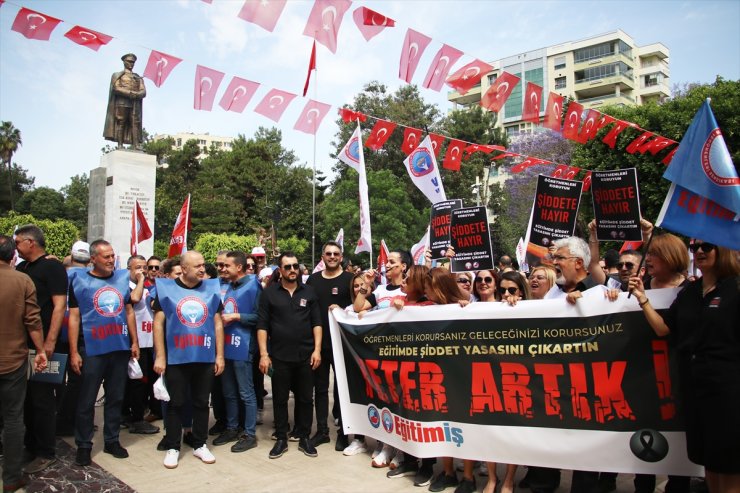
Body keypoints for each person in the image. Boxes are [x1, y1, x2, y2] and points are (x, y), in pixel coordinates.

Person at [630, 240, 740, 492]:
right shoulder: (690, 292)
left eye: (707, 246)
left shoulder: (735, 287)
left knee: (729, 463)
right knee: (708, 460)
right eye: (695, 248)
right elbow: (663, 329)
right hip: (694, 387)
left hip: (728, 389)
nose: (699, 252)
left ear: (723, 249)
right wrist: (642, 299)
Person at [67, 240, 140, 467]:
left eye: (112, 256)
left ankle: (111, 440)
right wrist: (73, 352)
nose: (110, 260)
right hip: (91, 348)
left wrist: (134, 341)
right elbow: (75, 318)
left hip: (118, 348)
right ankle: (84, 445)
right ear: (93, 259)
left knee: (116, 396)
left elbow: (129, 311)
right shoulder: (78, 280)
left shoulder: (120, 279)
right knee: (87, 399)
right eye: (106, 257)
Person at [153, 250, 224, 469]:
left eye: (204, 264)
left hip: (204, 356)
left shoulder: (211, 289)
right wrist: (161, 356)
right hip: (176, 357)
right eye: (198, 266)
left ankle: (200, 444)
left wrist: (219, 355)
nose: (203, 269)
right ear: (184, 269)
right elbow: (158, 323)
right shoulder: (166, 290)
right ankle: (173, 446)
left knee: (202, 403)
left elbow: (218, 322)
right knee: (175, 403)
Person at [257, 252, 322, 460]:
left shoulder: (309, 292)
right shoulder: (269, 294)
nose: (292, 270)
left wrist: (317, 350)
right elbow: (262, 326)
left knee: (305, 398)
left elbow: (317, 324)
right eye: (288, 267)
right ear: (280, 270)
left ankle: (304, 437)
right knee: (280, 399)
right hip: (279, 356)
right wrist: (264, 354)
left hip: (306, 355)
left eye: (295, 266)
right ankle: (282, 438)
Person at [14, 224, 68, 474]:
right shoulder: (21, 268)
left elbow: (59, 306)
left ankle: (46, 451)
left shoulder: (53, 267)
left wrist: (49, 342)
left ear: (30, 242)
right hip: (22, 345)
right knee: (26, 400)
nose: (16, 247)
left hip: (45, 345)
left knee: (43, 399)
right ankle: (30, 444)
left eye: (18, 243)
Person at [0, 234, 48, 493]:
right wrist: (41, 350)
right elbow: (33, 321)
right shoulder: (21, 280)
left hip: (12, 359)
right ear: (12, 256)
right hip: (12, 360)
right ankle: (11, 477)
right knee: (13, 419)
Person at [305, 241, 354, 451]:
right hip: (318, 344)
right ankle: (322, 431)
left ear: (341, 257)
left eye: (336, 253)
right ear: (322, 257)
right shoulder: (313, 280)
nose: (332, 256)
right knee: (321, 389)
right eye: (328, 253)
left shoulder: (350, 279)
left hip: (342, 343)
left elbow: (362, 304)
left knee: (342, 389)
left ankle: (344, 432)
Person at [213, 250, 261, 453]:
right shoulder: (227, 286)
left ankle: (249, 434)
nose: (223, 269)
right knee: (229, 392)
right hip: (226, 346)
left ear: (239, 267)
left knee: (245, 392)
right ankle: (232, 427)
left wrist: (236, 317)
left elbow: (260, 317)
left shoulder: (254, 285)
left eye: (227, 266)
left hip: (244, 345)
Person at [122, 255, 159, 435]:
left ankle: (136, 413)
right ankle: (135, 419)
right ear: (129, 269)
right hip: (135, 342)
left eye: (144, 267)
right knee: (137, 382)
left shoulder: (149, 288)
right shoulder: (128, 286)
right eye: (138, 267)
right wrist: (141, 280)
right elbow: (134, 299)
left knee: (144, 382)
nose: (143, 271)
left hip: (149, 340)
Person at [103, 53, 146, 149]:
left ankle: (136, 145)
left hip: (135, 104)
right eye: (129, 61)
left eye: (133, 62)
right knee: (121, 122)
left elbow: (143, 91)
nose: (131, 64)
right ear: (124, 62)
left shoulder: (138, 77)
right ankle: (120, 145)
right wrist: (130, 93)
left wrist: (138, 94)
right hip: (122, 103)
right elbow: (116, 88)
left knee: (135, 123)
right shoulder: (118, 75)